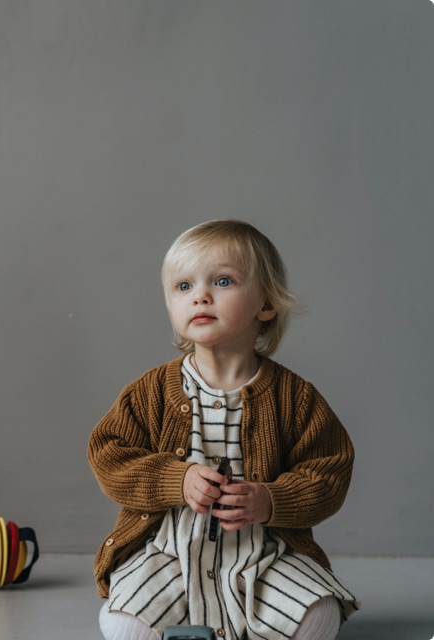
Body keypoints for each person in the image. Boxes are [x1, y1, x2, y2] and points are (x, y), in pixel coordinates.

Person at [87, 220, 357, 640]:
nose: (200, 296)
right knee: (123, 625)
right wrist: (177, 479)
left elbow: (329, 472)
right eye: (183, 286)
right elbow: (109, 454)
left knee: (320, 616)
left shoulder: (294, 397)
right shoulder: (151, 391)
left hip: (264, 556)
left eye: (223, 281)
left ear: (266, 304)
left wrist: (270, 500)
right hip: (169, 554)